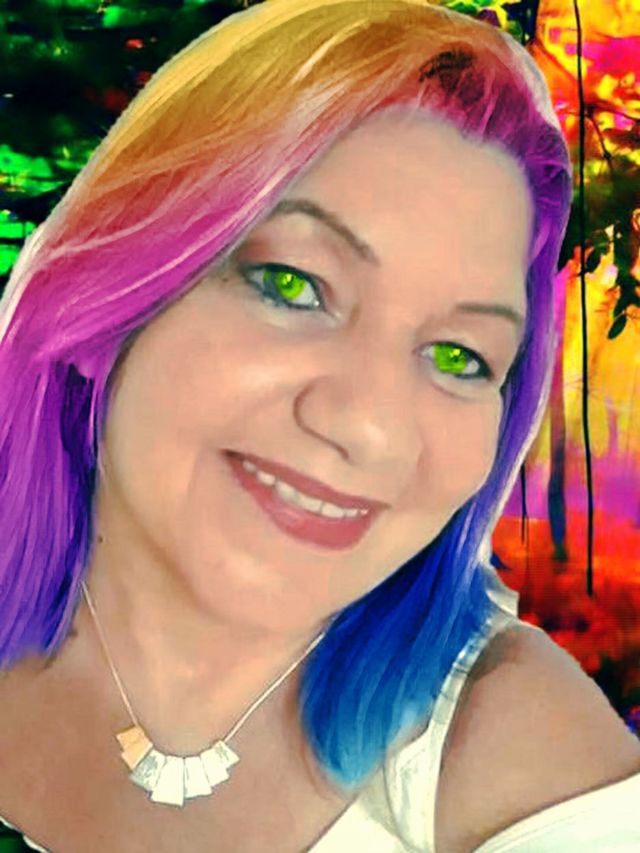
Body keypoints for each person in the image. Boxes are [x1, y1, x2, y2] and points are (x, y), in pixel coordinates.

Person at [0, 0, 639, 850]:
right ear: (106, 295)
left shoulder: (517, 756)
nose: (368, 427)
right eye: (293, 284)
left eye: (459, 356)